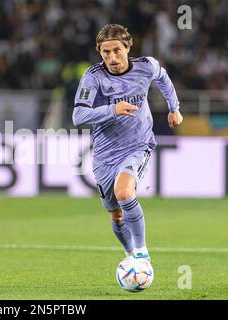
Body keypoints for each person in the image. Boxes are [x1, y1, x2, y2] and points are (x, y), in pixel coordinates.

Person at [72, 24, 183, 261]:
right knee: (116, 215)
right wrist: (113, 109)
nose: (112, 57)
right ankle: (130, 253)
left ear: (128, 47)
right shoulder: (94, 77)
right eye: (105, 52)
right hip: (105, 154)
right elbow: (78, 116)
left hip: (137, 145)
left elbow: (162, 77)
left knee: (123, 192)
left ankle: (142, 254)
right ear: (99, 52)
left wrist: (174, 108)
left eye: (116, 51)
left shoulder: (146, 66)